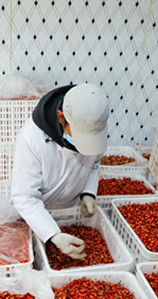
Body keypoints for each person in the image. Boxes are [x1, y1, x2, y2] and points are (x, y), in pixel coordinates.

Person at [10, 83, 109, 260]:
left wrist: (88, 193)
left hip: (71, 213)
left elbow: (95, 162)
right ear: (61, 117)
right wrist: (53, 234)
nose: (84, 145)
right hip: (37, 217)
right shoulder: (31, 139)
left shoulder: (94, 123)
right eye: (79, 135)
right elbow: (24, 198)